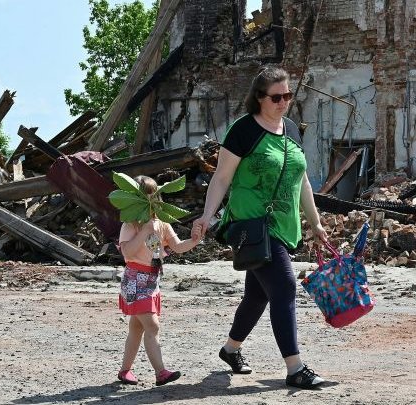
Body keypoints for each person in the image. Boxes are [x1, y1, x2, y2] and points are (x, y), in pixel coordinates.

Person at [191, 67, 329, 390]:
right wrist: (206, 216)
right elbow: (222, 177)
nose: (284, 102)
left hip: (282, 226)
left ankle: (230, 349)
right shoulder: (243, 130)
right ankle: (295, 368)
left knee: (257, 295)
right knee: (283, 286)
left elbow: (302, 180)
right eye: (276, 97)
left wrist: (316, 222)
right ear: (259, 98)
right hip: (251, 225)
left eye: (288, 95)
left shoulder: (292, 131)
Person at [117, 175, 202, 386]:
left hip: (152, 280)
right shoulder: (131, 224)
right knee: (152, 326)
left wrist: (194, 240)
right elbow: (127, 252)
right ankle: (161, 372)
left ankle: (124, 371)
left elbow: (177, 246)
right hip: (135, 279)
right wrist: (144, 231)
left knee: (137, 329)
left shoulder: (161, 224)